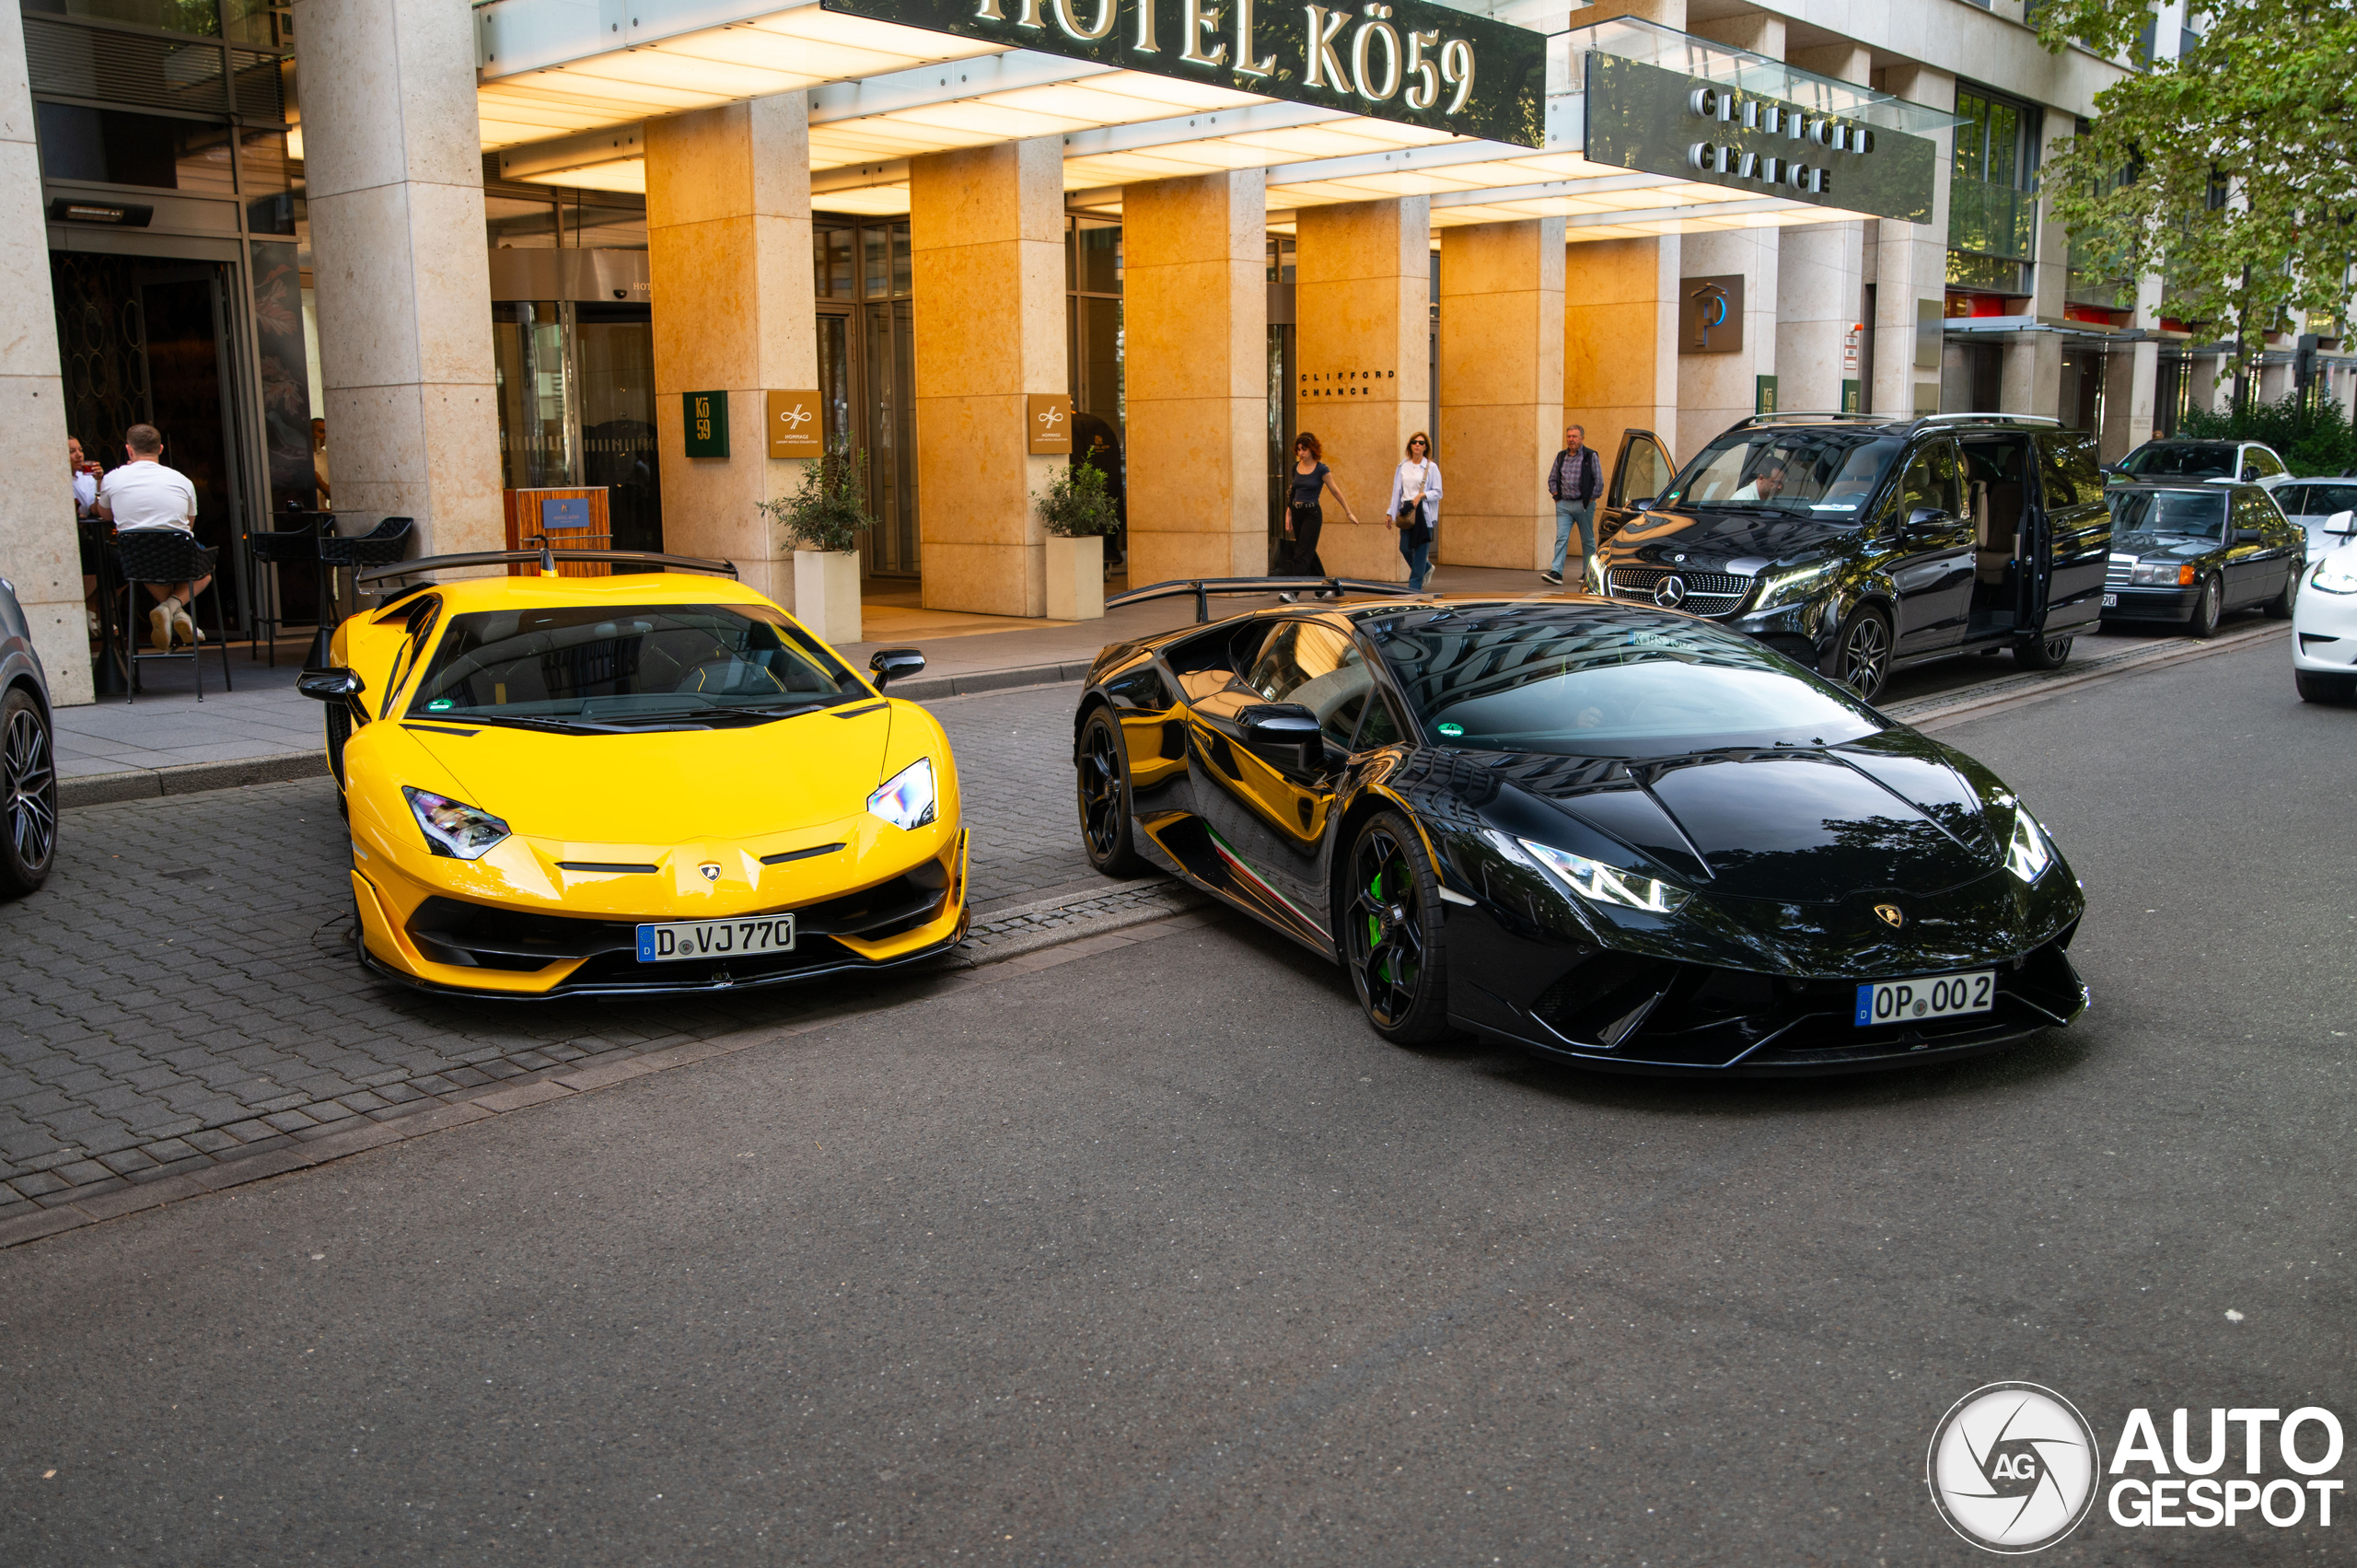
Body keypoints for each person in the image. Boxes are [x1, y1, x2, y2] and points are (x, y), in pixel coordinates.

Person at [94, 424, 208, 652]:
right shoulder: (182, 479)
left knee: (145, 564)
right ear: (161, 448)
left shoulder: (112, 478)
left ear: (129, 450)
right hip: (180, 553)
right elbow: (189, 523)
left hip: (136, 556)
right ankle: (174, 610)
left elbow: (105, 515)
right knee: (205, 570)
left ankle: (168, 609)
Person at [1278, 431, 1362, 602]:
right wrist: (1288, 515)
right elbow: (1293, 492)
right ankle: (1324, 589)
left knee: (1301, 553)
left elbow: (1335, 491)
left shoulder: (1321, 469)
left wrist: (1349, 512)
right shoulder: (1296, 467)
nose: (1301, 453)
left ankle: (1293, 592)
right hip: (1297, 512)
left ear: (1312, 449)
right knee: (1307, 550)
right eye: (1299, 449)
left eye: (1304, 449)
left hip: (1312, 514)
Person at [1544, 424, 1604, 587]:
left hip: (1583, 504)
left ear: (1582, 438)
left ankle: (1589, 572)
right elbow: (1552, 478)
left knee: (1587, 539)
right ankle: (1556, 572)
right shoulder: (1561, 456)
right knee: (1561, 538)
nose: (1571, 439)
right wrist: (1556, 495)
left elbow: (1599, 480)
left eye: (1575, 436)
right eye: (1569, 436)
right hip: (1564, 504)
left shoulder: (1590, 456)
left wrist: (1591, 498)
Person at [1387, 432, 1442, 593]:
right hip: (1407, 513)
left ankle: (1413, 591)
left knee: (1420, 553)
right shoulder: (1403, 466)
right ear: (1410, 445)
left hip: (1424, 515)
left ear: (1426, 447)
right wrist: (1391, 513)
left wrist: (1422, 494)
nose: (1417, 445)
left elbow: (1438, 492)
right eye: (1414, 442)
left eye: (1421, 443)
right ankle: (1425, 568)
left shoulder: (1431, 467)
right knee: (1404, 547)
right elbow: (1397, 491)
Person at [70, 437, 103, 636]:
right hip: (70, 537)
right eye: (72, 451)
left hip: (85, 533)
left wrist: (99, 482)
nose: (79, 454)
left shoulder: (85, 476)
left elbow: (96, 510)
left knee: (115, 562)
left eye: (80, 449)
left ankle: (91, 611)